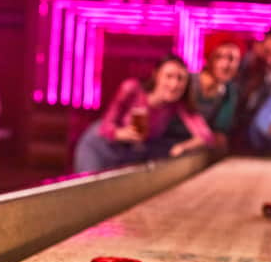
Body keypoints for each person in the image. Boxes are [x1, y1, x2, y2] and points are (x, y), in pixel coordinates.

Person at [74, 54, 213, 173]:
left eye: (180, 78)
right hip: (100, 146)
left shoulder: (178, 104)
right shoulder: (132, 89)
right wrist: (122, 133)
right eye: (169, 76)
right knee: (87, 194)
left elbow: (206, 136)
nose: (174, 84)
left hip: (128, 153)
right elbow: (104, 128)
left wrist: (182, 147)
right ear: (156, 75)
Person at [168, 34, 243, 153]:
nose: (227, 65)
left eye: (234, 59)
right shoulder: (187, 81)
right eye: (220, 57)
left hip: (196, 150)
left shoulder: (228, 92)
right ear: (209, 57)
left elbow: (219, 136)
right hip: (168, 145)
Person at [233, 27, 271, 147]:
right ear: (256, 46)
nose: (269, 60)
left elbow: (264, 118)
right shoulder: (233, 65)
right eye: (266, 52)